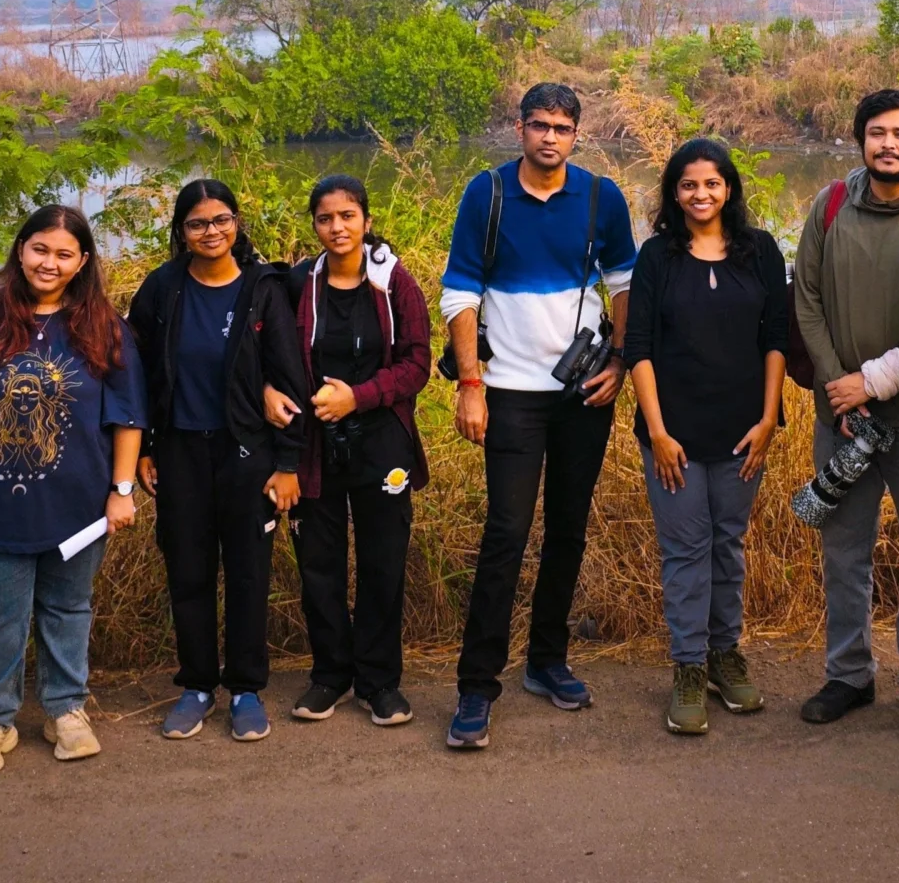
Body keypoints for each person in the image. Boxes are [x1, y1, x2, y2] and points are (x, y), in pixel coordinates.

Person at [440, 81, 640, 751]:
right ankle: (476, 686)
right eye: (538, 125)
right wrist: (471, 385)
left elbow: (624, 284)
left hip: (582, 392)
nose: (549, 137)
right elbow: (459, 294)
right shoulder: (488, 193)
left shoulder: (601, 197)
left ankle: (547, 660)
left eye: (561, 127)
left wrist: (619, 360)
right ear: (519, 127)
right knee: (506, 533)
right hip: (509, 392)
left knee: (568, 529)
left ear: (576, 134)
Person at [0, 205, 145, 777]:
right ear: (21, 250)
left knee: (68, 609)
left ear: (83, 261)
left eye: (64, 254)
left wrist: (122, 490)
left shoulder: (105, 326)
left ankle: (65, 710)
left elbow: (127, 417)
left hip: (80, 505)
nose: (50, 263)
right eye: (40, 249)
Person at [790, 87, 899, 731]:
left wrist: (874, 382)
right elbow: (806, 299)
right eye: (876, 133)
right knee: (843, 551)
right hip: (842, 419)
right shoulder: (831, 203)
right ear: (861, 139)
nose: (888, 145)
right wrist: (840, 387)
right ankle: (848, 674)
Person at [624, 137, 789, 736]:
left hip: (744, 430)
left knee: (728, 544)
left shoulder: (761, 251)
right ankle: (689, 667)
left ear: (729, 189)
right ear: (674, 193)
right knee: (686, 549)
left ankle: (725, 656)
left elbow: (776, 339)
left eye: (712, 183)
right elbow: (638, 347)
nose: (701, 194)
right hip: (675, 436)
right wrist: (658, 432)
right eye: (689, 184)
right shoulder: (657, 257)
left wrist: (769, 420)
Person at [126, 179, 291, 744]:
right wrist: (144, 447)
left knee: (248, 572)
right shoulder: (163, 287)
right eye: (197, 223)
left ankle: (245, 689)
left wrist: (288, 462)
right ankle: (197, 684)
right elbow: (137, 371)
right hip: (180, 452)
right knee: (188, 571)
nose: (211, 231)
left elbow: (288, 376)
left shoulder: (263, 288)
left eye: (221, 220)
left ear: (237, 222)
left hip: (246, 452)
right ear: (181, 231)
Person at [267, 173, 432, 730]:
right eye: (325, 218)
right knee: (319, 564)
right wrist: (269, 391)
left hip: (381, 440)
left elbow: (417, 363)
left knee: (383, 562)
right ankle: (330, 675)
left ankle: (379, 682)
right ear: (314, 225)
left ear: (366, 219)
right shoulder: (299, 284)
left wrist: (357, 397)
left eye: (347, 216)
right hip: (315, 444)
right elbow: (271, 353)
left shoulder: (394, 282)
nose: (337, 227)